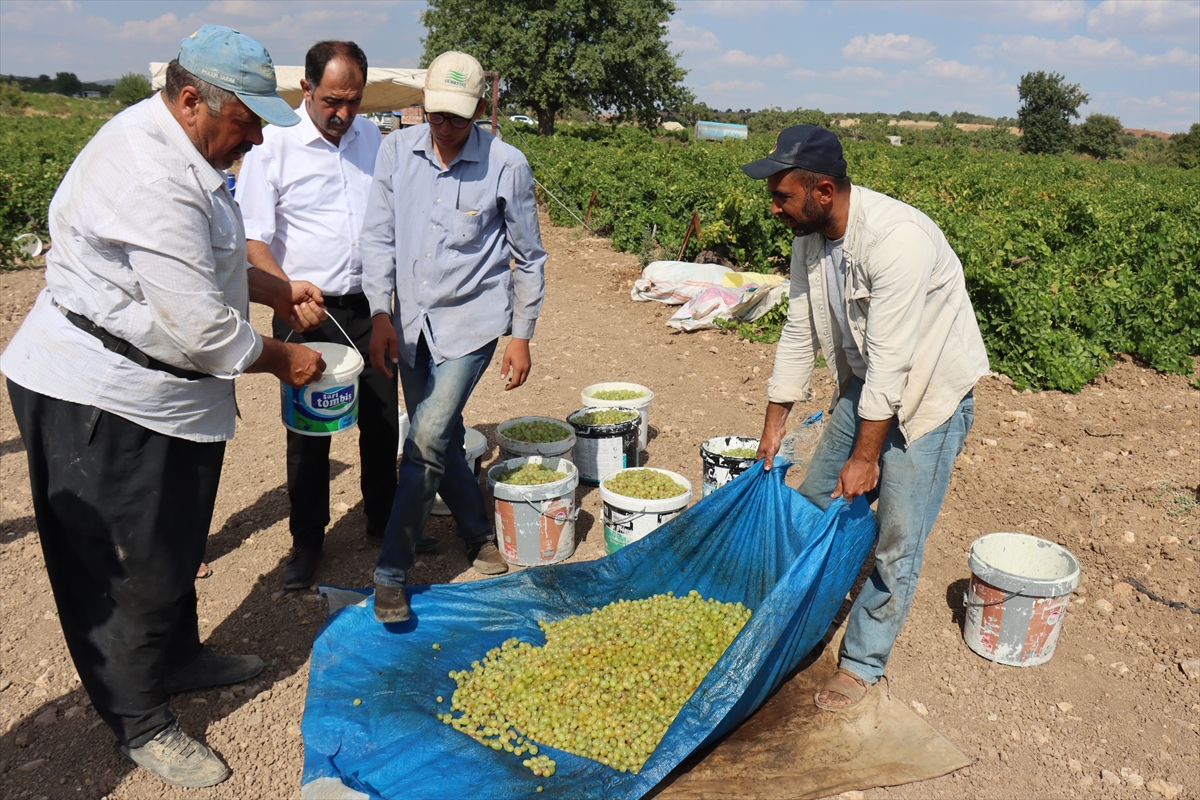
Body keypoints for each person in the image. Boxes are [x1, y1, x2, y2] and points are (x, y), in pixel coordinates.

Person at [1, 26, 327, 788]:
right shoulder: (149, 174)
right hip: (100, 395)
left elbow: (206, 260)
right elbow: (206, 331)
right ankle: (140, 718)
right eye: (245, 121)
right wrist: (285, 360)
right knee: (123, 568)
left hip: (165, 393)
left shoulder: (188, 151)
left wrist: (276, 289)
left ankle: (177, 657)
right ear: (190, 100)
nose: (254, 139)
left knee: (174, 540)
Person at [744, 125, 990, 711]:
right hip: (868, 386)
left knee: (897, 539)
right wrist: (773, 427)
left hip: (928, 398)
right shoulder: (810, 237)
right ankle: (798, 616)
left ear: (824, 191)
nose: (773, 208)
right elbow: (799, 331)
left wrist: (865, 456)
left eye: (782, 196)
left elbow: (893, 362)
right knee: (813, 503)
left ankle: (861, 662)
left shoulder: (897, 240)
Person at [361, 51, 547, 623]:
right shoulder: (396, 152)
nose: (445, 128)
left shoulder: (506, 164)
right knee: (441, 438)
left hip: (472, 324)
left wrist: (521, 334)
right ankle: (477, 532)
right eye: (437, 115)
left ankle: (391, 573)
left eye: (458, 118)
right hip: (410, 323)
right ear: (424, 104)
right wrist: (380, 312)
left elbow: (529, 256)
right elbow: (378, 237)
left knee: (425, 436)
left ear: (480, 110)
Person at [239, 40, 422, 590]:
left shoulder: (373, 140)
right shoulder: (273, 145)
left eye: (353, 101)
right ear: (307, 89)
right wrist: (286, 293)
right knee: (310, 429)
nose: (344, 113)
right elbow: (253, 239)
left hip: (369, 306)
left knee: (379, 417)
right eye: (332, 101)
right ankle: (307, 541)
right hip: (304, 310)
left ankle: (381, 521)